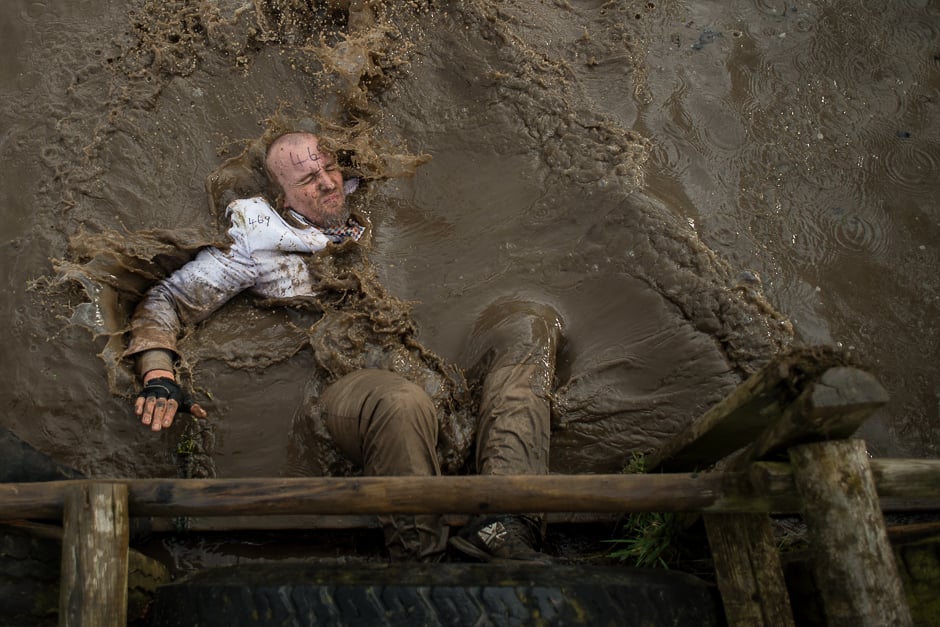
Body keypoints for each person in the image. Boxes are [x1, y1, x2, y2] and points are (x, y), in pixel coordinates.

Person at [124, 130, 562, 562]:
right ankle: (423, 562)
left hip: (421, 361)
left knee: (527, 330)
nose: (328, 183)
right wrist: (158, 373)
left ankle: (506, 523)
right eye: (308, 181)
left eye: (329, 168)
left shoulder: (366, 199)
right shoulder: (255, 244)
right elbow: (166, 301)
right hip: (352, 389)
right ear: (281, 199)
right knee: (399, 402)